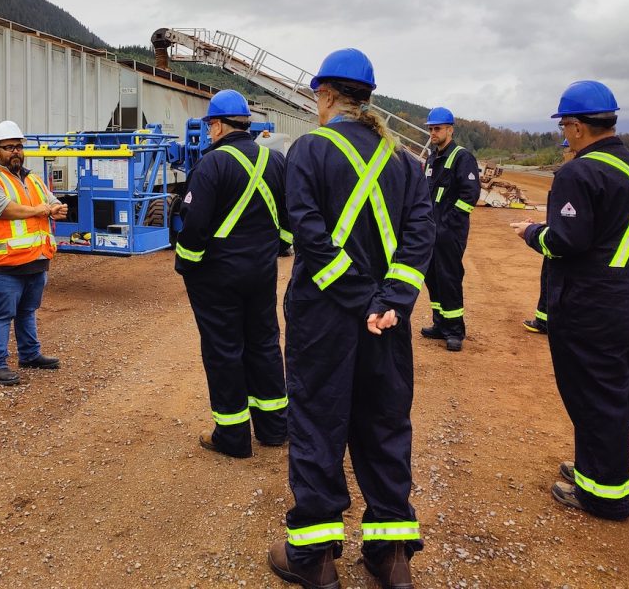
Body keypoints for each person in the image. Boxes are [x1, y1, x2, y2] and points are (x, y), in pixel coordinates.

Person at [268, 49, 434, 589]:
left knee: (317, 424)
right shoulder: (405, 161)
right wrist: (390, 302)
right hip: (385, 322)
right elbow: (419, 240)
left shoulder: (309, 149)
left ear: (326, 96)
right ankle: (391, 559)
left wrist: (360, 296)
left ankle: (314, 561)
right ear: (367, 97)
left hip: (326, 319)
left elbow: (308, 235)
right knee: (385, 425)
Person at [511, 80, 629, 521]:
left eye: (565, 125)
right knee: (614, 391)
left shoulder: (579, 172)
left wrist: (533, 233)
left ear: (575, 127)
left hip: (593, 306)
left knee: (593, 394)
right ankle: (596, 470)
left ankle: (605, 495)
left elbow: (567, 243)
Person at [174, 89, 290, 459]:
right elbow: (288, 225)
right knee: (264, 345)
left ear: (220, 125)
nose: (209, 131)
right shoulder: (275, 162)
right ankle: (274, 429)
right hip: (261, 272)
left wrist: (186, 265)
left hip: (218, 277)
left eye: (210, 124)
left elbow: (194, 228)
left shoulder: (212, 165)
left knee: (224, 351)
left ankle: (233, 436)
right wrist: (270, 249)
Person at [0, 120, 67, 386]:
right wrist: (41, 210)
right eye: (8, 147)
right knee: (1, 315)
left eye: (18, 146)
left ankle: (29, 355)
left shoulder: (33, 179)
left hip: (36, 260)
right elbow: (1, 208)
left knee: (27, 311)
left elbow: (50, 201)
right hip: (5, 265)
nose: (15, 151)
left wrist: (57, 207)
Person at [419, 107, 480, 352]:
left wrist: (448, 223)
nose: (433, 133)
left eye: (438, 129)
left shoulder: (462, 157)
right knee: (432, 277)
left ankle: (455, 331)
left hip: (449, 232)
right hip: (431, 230)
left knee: (449, 278)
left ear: (450, 130)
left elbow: (469, 195)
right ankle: (440, 324)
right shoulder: (433, 157)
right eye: (431, 129)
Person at [524, 140, 570, 335]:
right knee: (549, 278)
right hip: (557, 231)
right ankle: (544, 319)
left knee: (555, 279)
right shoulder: (569, 174)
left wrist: (531, 231)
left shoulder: (571, 176)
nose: (564, 154)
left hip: (560, 241)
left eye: (566, 150)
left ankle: (548, 322)